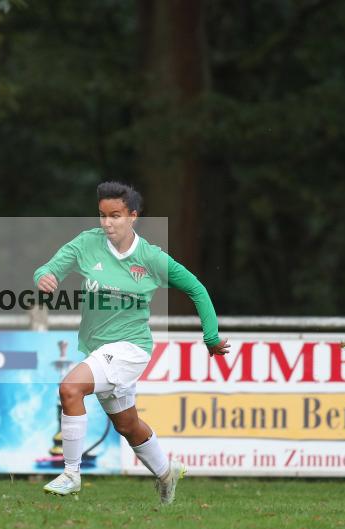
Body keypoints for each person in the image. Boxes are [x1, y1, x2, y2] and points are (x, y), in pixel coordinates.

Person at [33, 181, 229, 504]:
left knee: (70, 388)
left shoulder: (150, 257)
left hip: (131, 347)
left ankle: (71, 474)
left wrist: (210, 335)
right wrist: (43, 278)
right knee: (128, 425)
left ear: (132, 216)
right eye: (102, 215)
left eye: (116, 216)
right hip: (99, 348)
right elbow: (48, 268)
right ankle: (167, 473)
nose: (108, 223)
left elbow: (197, 288)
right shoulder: (87, 244)